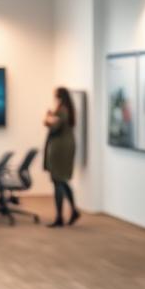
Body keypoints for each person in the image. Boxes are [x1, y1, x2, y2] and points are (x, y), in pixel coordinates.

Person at [43, 87, 81, 228]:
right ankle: (73, 211)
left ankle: (59, 217)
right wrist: (50, 118)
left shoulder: (61, 110)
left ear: (60, 97)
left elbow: (54, 127)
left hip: (60, 148)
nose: (54, 99)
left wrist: (47, 119)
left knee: (57, 180)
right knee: (61, 180)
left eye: (55, 96)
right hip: (65, 146)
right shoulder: (67, 110)